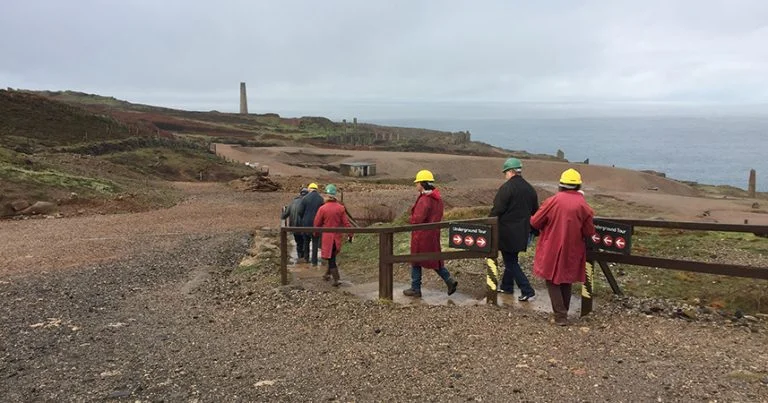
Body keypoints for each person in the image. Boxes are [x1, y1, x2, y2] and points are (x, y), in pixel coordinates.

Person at [530, 168, 596, 326]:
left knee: (552, 279)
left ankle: (560, 316)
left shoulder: (552, 201)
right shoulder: (583, 205)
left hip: (551, 246)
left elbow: (535, 221)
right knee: (566, 279)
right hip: (573, 248)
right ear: (578, 186)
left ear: (561, 184)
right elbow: (589, 231)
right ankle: (563, 312)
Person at [403, 169, 458, 298]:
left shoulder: (425, 200)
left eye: (417, 183)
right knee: (433, 259)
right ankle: (449, 280)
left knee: (416, 261)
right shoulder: (437, 198)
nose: (416, 185)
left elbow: (417, 219)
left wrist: (410, 220)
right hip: (433, 234)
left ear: (422, 184)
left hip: (421, 235)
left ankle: (415, 288)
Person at [489, 157, 539, 301]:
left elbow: (497, 209)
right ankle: (507, 286)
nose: (505, 175)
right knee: (512, 259)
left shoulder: (507, 188)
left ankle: (527, 289)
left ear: (511, 171)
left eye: (506, 172)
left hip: (507, 232)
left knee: (510, 262)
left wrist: (489, 223)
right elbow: (535, 211)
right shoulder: (530, 189)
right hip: (523, 232)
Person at [313, 184, 353, 286]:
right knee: (332, 257)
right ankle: (327, 275)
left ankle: (336, 279)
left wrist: (315, 233)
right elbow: (346, 223)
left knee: (331, 259)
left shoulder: (322, 209)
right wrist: (350, 234)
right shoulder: (340, 208)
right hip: (337, 237)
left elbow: (317, 223)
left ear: (326, 195)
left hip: (327, 237)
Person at [298, 182, 324, 266]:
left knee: (306, 241)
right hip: (317, 224)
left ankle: (306, 258)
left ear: (309, 189)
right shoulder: (320, 199)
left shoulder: (305, 198)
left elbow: (300, 211)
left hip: (306, 223)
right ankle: (314, 261)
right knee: (315, 242)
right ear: (316, 189)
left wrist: (303, 218)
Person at [281, 188, 309, 261]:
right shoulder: (307, 203)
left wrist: (283, 212)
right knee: (305, 242)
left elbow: (284, 215)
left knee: (298, 242)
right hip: (304, 227)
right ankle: (305, 258)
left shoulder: (292, 202)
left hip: (294, 226)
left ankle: (300, 257)